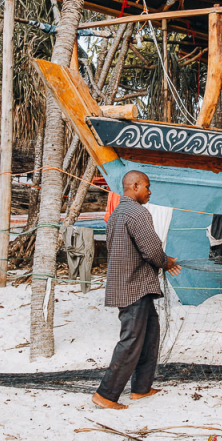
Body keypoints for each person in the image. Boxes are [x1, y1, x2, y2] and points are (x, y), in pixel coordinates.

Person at [93, 170, 181, 410]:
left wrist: (162, 259)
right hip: (134, 286)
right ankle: (106, 394)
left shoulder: (117, 213)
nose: (150, 191)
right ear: (134, 186)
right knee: (131, 340)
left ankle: (141, 388)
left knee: (151, 334)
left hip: (131, 284)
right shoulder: (137, 212)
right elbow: (151, 249)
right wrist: (166, 262)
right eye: (147, 186)